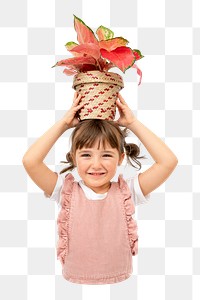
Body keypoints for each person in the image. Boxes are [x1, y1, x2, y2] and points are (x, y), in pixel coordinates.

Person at [22, 92, 178, 285]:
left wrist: (132, 123)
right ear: (73, 157)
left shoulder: (127, 191)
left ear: (120, 158)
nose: (96, 165)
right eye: (86, 155)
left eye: (106, 155)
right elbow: (30, 161)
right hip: (72, 284)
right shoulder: (65, 191)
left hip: (122, 284)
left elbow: (168, 162)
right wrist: (63, 124)